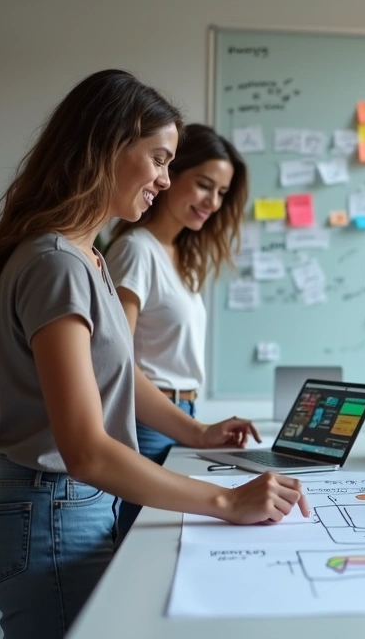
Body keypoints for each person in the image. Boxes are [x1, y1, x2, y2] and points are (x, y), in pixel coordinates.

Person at [0, 69, 309, 639]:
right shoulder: (58, 263)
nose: (164, 180)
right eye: (158, 159)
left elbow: (117, 381)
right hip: (53, 512)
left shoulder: (86, 259)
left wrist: (198, 436)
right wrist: (227, 500)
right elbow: (86, 452)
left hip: (65, 510)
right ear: (106, 146)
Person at [106, 123, 250, 538]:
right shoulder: (136, 250)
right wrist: (196, 432)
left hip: (176, 418)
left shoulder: (178, 256)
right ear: (171, 176)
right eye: (205, 185)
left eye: (222, 193)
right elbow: (118, 365)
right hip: (148, 426)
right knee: (148, 550)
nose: (213, 202)